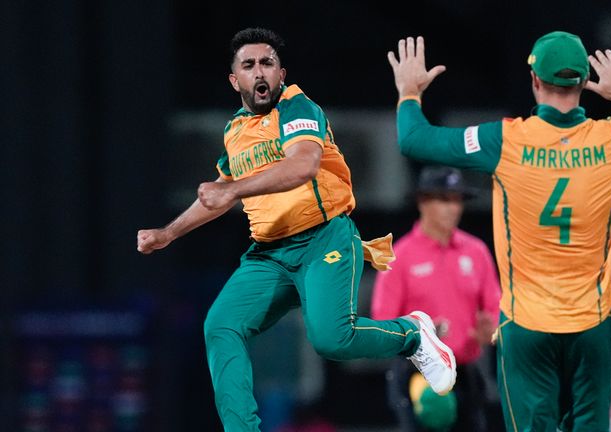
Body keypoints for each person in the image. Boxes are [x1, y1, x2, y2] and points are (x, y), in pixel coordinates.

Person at [136, 27, 456, 432]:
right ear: (235, 80)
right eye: (249, 66)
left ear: (281, 73)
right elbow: (216, 195)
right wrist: (168, 233)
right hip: (269, 254)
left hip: (323, 239)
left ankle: (412, 332)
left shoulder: (298, 106)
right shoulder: (235, 132)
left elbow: (301, 165)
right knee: (221, 325)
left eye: (267, 63)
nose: (260, 73)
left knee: (331, 341)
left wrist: (231, 189)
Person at [386, 32, 611, 431]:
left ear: (534, 81)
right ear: (582, 83)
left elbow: (413, 140)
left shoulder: (506, 140)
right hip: (589, 327)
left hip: (527, 328)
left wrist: (409, 93)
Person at [371, 165, 500, 431]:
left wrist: (492, 330)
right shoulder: (401, 256)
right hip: (417, 374)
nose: (453, 208)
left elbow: (495, 309)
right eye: (444, 200)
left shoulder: (476, 252)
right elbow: (382, 323)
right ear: (422, 202)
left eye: (456, 200)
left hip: (465, 370)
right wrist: (421, 335)